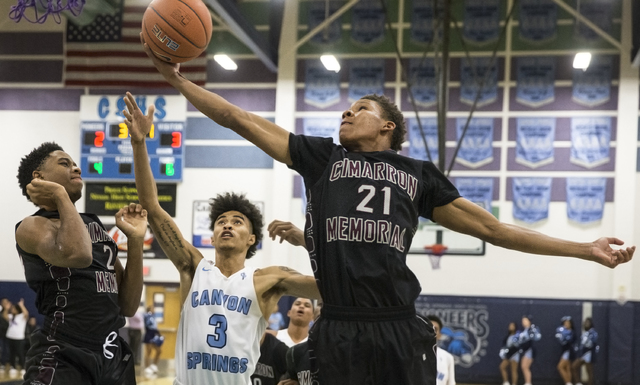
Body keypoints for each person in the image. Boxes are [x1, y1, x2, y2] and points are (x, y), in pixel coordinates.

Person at [140, 36, 634, 385]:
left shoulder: (416, 174)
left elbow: (493, 228)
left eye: (360, 109)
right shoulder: (321, 159)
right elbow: (240, 118)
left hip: (397, 324)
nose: (346, 113)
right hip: (337, 326)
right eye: (346, 108)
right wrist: (177, 81)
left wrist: (584, 249)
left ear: (387, 128)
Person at [123, 93, 321, 385]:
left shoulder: (267, 279)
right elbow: (152, 208)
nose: (227, 226)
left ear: (252, 238)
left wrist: (308, 241)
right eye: (220, 222)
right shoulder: (193, 267)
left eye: (237, 222)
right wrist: (139, 143)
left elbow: (333, 290)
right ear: (213, 237)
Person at [15, 142, 148, 385]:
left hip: (111, 353)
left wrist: (136, 241)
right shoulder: (32, 226)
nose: (76, 169)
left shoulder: (94, 227)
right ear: (39, 177)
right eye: (64, 164)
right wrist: (59, 195)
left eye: (75, 164)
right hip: (63, 352)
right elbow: (78, 255)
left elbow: (127, 306)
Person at [426, 315, 456, 385]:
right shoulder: (414, 353)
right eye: (429, 328)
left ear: (439, 334)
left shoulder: (447, 357)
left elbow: (451, 383)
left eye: (435, 329)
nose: (432, 332)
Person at [4, 299, 29, 377]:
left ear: (18, 309)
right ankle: (13, 367)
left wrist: (22, 306)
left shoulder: (21, 316)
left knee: (20, 353)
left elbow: (26, 313)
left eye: (14, 308)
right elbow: (4, 316)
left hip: (19, 338)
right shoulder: (11, 316)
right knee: (12, 353)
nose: (12, 309)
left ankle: (22, 368)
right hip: (10, 337)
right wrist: (6, 308)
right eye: (12, 308)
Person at [572, 318, 598, 385]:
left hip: (589, 354)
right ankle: (578, 383)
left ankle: (590, 383)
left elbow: (591, 343)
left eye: (588, 322)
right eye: (585, 322)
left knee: (589, 371)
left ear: (591, 324)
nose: (586, 324)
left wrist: (587, 342)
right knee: (574, 366)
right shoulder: (586, 332)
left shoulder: (593, 332)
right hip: (583, 354)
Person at [518, 316, 541, 385]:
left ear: (529, 321)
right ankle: (527, 382)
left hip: (529, 350)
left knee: (525, 366)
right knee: (524, 367)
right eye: (522, 321)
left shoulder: (532, 329)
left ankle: (528, 382)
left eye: (525, 320)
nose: (523, 322)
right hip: (524, 350)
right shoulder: (524, 330)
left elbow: (537, 337)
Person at [143, 307, 164, 376]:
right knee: (149, 351)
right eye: (152, 309)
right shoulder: (147, 316)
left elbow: (155, 327)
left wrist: (159, 334)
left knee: (159, 351)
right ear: (149, 310)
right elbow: (149, 324)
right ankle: (147, 367)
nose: (153, 310)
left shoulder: (154, 317)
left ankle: (154, 365)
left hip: (154, 334)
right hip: (149, 334)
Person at [555, 316, 576, 385]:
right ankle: (568, 382)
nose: (566, 324)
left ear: (571, 324)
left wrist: (564, 337)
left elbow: (569, 341)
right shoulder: (563, 331)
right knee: (567, 367)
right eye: (565, 323)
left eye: (567, 323)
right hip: (565, 351)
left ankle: (568, 382)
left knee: (560, 367)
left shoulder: (571, 332)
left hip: (568, 351)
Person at [0, 298, 11, 374]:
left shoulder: (11, 311)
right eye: (3, 302)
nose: (4, 303)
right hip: (0, 333)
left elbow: (7, 318)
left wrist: (7, 309)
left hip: (8, 334)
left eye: (6, 302)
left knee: (6, 349)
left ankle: (4, 363)